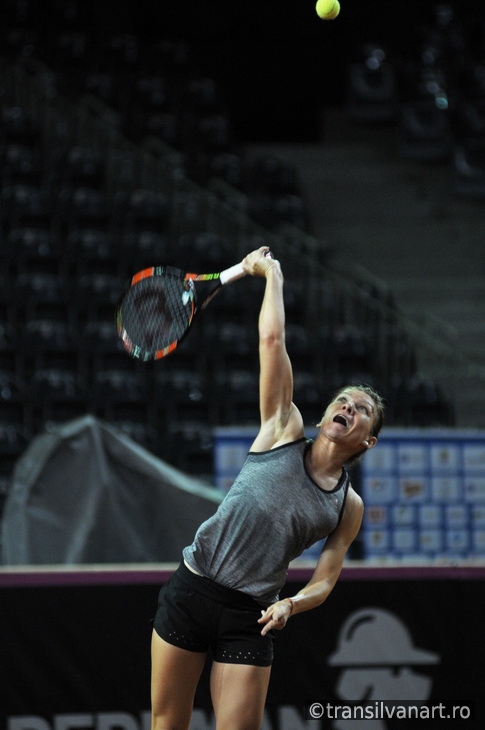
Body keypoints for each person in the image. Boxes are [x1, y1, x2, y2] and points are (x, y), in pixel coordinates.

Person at [150, 246, 385, 730]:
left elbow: (325, 579)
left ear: (368, 437)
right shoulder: (282, 427)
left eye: (360, 409)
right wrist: (271, 274)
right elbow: (273, 341)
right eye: (342, 400)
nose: (348, 406)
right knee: (168, 723)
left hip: (252, 614)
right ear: (323, 417)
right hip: (193, 589)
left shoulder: (348, 505)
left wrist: (291, 604)